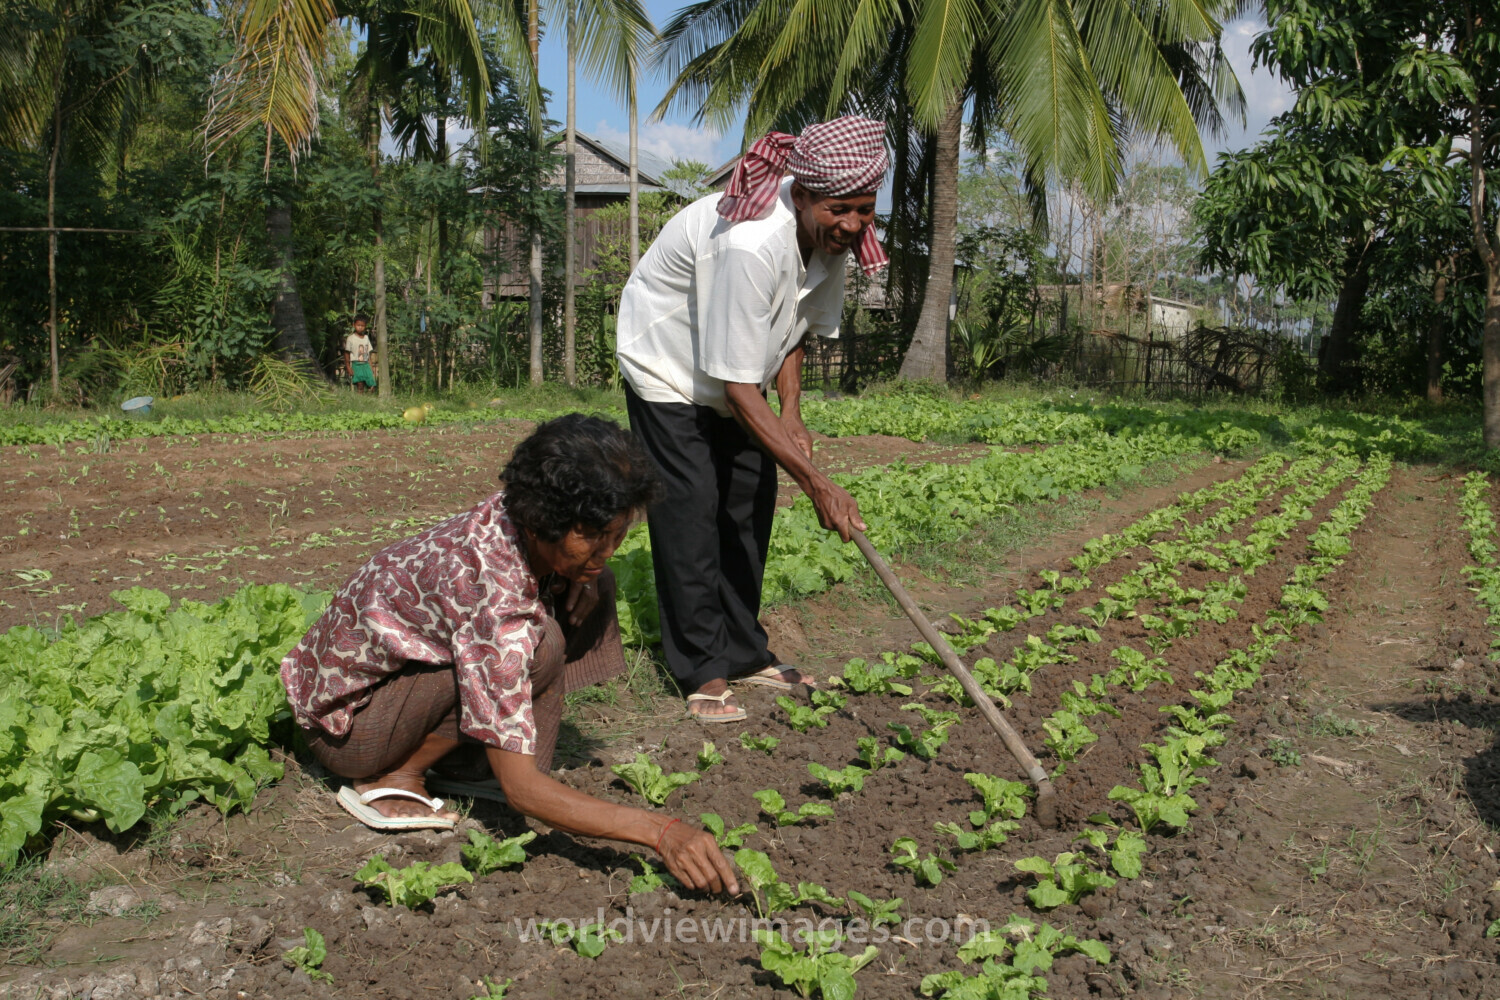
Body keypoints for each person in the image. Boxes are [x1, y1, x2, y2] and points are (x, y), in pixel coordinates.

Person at [280, 415, 739, 895]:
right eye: (591, 535)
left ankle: (465, 759)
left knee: (584, 593)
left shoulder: (512, 515)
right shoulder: (494, 596)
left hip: (387, 691)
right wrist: (661, 832)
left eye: (617, 533)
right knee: (540, 647)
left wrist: (579, 573)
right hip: (348, 728)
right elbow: (522, 792)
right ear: (541, 522)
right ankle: (396, 772)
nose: (607, 549)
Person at [615, 116, 887, 722]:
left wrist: (791, 410)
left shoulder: (829, 241)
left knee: (747, 503)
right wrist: (817, 484)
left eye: (865, 210)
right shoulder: (750, 245)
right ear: (804, 194)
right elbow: (736, 388)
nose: (852, 224)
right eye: (840, 209)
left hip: (738, 374)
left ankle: (743, 652)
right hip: (669, 367)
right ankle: (701, 669)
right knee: (690, 510)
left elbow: (794, 328)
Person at [343, 315, 377, 392]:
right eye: (358, 325)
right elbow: (347, 353)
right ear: (354, 325)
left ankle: (369, 397)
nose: (360, 327)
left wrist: (371, 366)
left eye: (362, 326)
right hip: (356, 364)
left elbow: (368, 353)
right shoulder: (351, 338)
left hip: (366, 364)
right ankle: (360, 397)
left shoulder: (366, 338)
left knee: (371, 384)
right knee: (360, 384)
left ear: (365, 326)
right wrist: (348, 367)